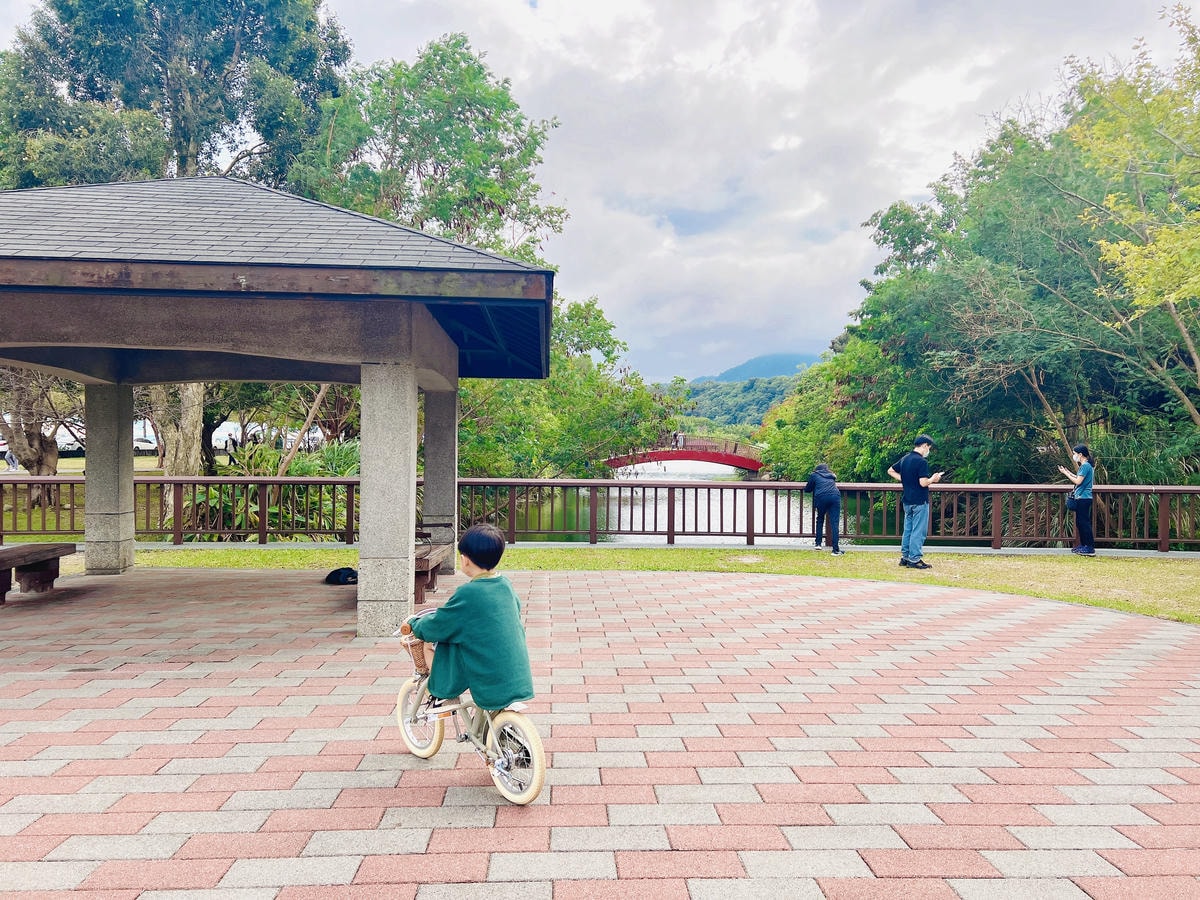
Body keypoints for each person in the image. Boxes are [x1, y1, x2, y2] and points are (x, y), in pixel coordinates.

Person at [407, 523, 534, 710]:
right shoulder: (505, 585)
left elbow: (440, 624)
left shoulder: (468, 593)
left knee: (440, 644)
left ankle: (443, 694)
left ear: (465, 560)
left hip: (487, 671)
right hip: (517, 670)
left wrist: (415, 624)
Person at [887, 434, 944, 570]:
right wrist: (934, 479)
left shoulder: (905, 458)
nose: (928, 450)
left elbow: (890, 470)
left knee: (908, 529)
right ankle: (914, 559)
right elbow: (923, 483)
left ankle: (905, 557)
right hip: (919, 501)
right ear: (924, 445)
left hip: (907, 500)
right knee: (919, 531)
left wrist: (904, 479)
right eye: (929, 447)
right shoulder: (921, 462)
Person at [1058, 444, 1096, 556]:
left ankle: (1089, 547)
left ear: (1080, 454)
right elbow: (1078, 478)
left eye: (1075, 453)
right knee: (1080, 522)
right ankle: (1084, 545)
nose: (1074, 456)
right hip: (1083, 498)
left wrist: (1066, 474)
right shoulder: (1086, 466)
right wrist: (1067, 472)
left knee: (1084, 523)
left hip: (1083, 498)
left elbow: (1078, 481)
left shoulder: (1085, 466)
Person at [804, 462, 844, 555]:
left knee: (820, 519)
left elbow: (808, 489)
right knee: (834, 523)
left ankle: (818, 544)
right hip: (835, 496)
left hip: (821, 497)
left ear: (817, 470)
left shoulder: (814, 475)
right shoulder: (832, 476)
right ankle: (835, 550)